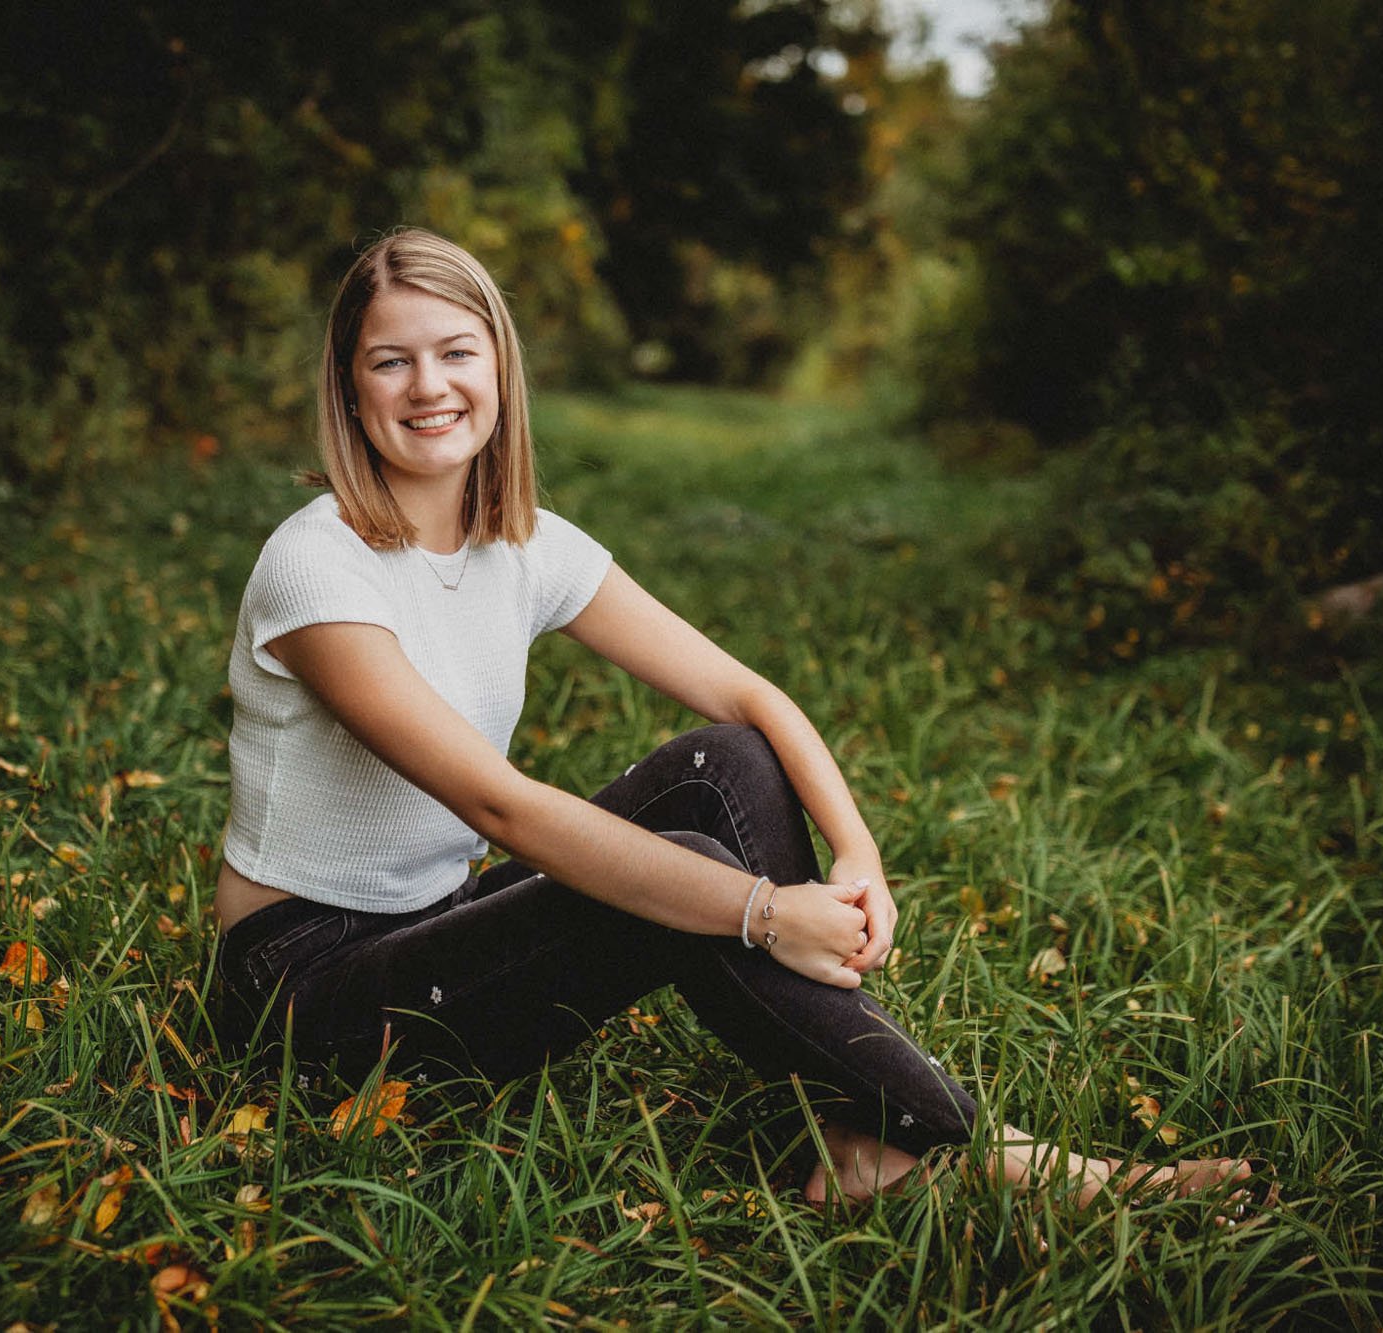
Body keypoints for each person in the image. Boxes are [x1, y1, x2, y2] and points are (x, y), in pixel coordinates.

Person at [211, 227, 1270, 1210]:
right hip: (307, 992)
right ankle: (977, 1148)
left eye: (455, 351)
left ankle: (865, 1134)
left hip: (437, 918)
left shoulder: (523, 545)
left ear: (499, 370)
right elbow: (504, 806)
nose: (429, 385)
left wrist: (854, 853)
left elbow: (747, 697)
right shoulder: (318, 568)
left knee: (728, 761)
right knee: (670, 875)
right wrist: (762, 909)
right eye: (390, 360)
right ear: (350, 390)